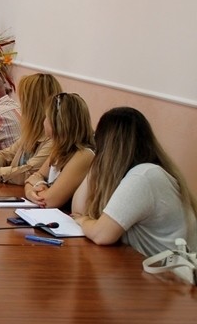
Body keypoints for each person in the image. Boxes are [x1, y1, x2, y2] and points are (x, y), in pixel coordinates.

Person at [71, 107, 197, 257]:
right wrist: (97, 162)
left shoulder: (143, 176)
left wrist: (84, 221)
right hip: (152, 265)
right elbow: (78, 211)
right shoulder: (136, 173)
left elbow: (101, 235)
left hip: (172, 270)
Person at [24, 93, 94, 210]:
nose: (44, 121)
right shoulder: (60, 148)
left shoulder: (84, 154)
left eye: (46, 116)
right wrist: (30, 193)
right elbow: (31, 179)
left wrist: (38, 184)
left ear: (57, 123)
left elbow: (49, 201)